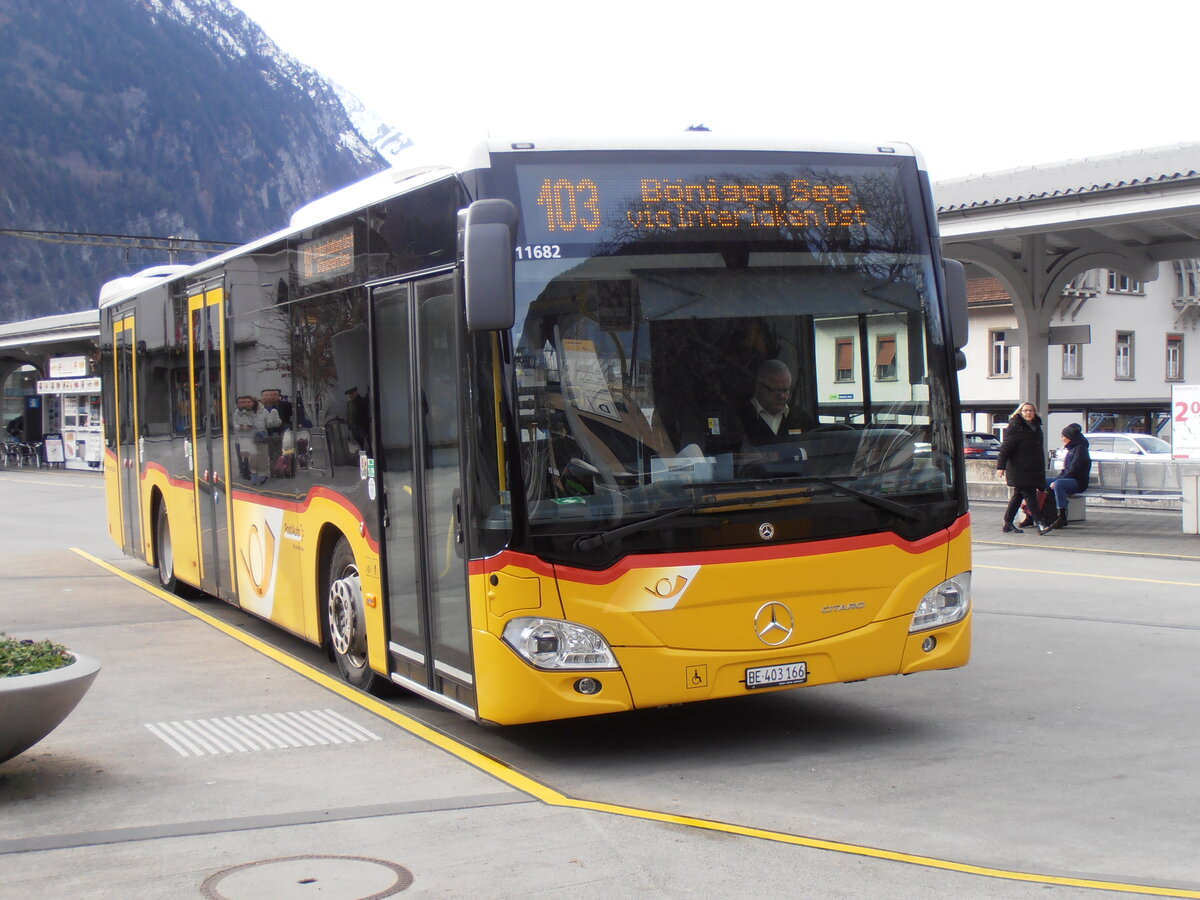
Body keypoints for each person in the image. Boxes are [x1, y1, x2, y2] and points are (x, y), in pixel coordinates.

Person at [997, 401, 1052, 535]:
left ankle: (1008, 523)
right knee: (1030, 494)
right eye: (1025, 410)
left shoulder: (1036, 427)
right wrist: (1001, 466)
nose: (1028, 413)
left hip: (1032, 468)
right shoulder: (1015, 427)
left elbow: (1039, 451)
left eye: (1031, 410)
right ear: (1020, 412)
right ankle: (1040, 523)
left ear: (1035, 413)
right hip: (1019, 468)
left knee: (1018, 496)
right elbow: (1005, 448)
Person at [736, 359, 814, 447]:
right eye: (776, 390)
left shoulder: (802, 419)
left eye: (785, 390)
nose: (782, 396)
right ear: (759, 387)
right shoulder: (738, 418)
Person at [1046, 423, 1090, 530]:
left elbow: (1075, 470)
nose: (1061, 439)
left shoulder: (1081, 449)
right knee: (1040, 481)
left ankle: (1061, 516)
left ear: (1069, 437)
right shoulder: (1072, 449)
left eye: (1063, 436)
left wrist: (1059, 479)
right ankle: (1035, 514)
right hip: (1067, 478)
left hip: (1078, 481)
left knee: (1058, 484)